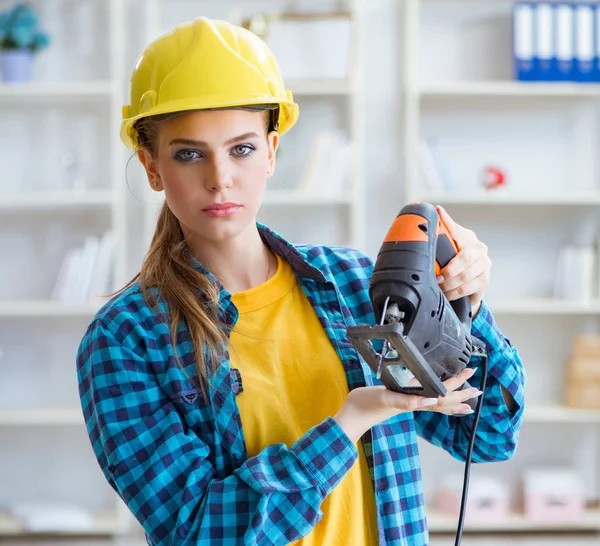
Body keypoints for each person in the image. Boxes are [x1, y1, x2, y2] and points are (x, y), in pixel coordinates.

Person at [76, 16, 526, 546]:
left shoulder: (358, 285)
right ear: (152, 167)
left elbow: (490, 433)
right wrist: (347, 426)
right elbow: (196, 531)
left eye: (241, 148)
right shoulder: (125, 341)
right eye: (189, 153)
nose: (219, 177)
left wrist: (464, 300)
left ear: (271, 152)